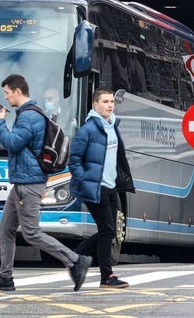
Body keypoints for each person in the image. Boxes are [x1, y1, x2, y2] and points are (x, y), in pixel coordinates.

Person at [0, 74, 92, 292]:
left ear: (18, 92)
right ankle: (5, 277)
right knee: (6, 228)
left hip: (28, 183)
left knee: (31, 232)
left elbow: (12, 143)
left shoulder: (28, 117)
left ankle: (75, 260)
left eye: (7, 92)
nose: (6, 96)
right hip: (23, 182)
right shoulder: (31, 114)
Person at [69, 88, 135, 289]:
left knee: (110, 231)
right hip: (95, 188)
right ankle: (106, 276)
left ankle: (74, 257)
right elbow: (74, 161)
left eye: (112, 102)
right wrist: (86, 181)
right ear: (95, 105)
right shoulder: (87, 130)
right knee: (107, 231)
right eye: (105, 101)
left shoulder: (113, 126)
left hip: (111, 187)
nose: (110, 105)